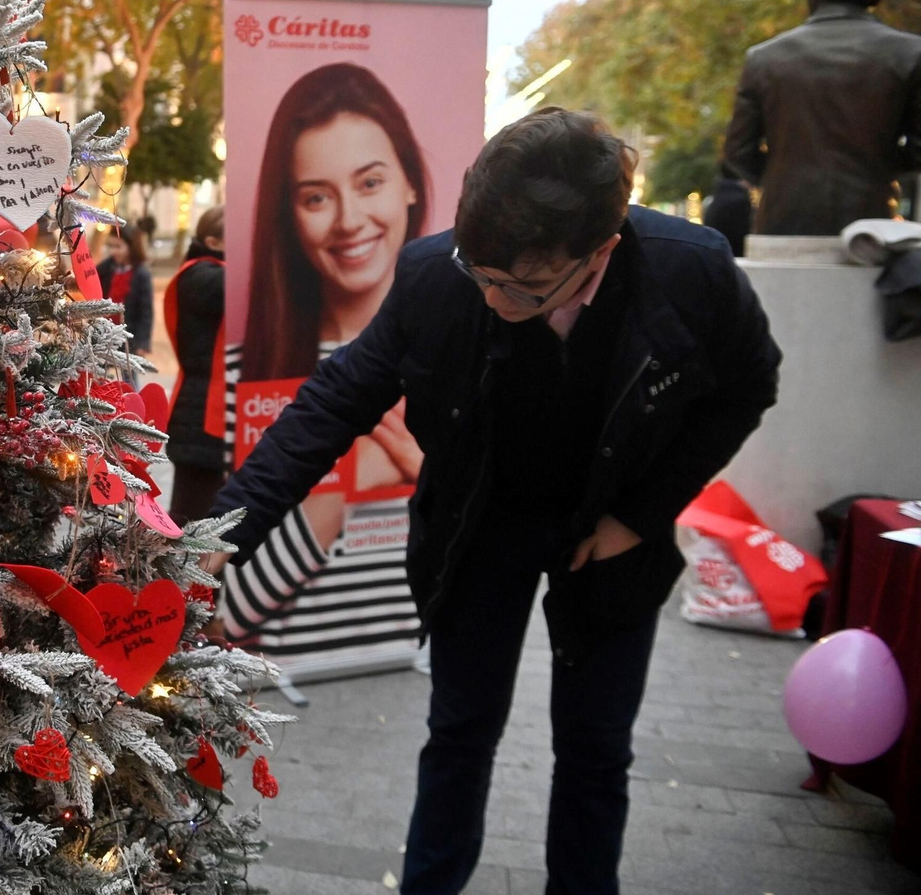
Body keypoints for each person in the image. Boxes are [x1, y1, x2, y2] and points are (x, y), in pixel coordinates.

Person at [204, 108, 782, 895]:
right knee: (459, 732)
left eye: (522, 288)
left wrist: (638, 517)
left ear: (600, 252)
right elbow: (335, 402)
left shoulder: (692, 271)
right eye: (479, 272)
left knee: (595, 749)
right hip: (478, 528)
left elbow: (749, 387)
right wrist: (222, 534)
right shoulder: (437, 275)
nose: (491, 298)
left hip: (611, 532)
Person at [219, 62, 428, 661]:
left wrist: (433, 475)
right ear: (289, 213)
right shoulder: (245, 368)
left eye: (370, 182)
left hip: (418, 672)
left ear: (410, 183)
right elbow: (223, 610)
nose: (349, 221)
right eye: (316, 196)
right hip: (283, 687)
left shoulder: (456, 356)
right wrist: (355, 476)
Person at [724, 0, 921, 235]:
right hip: (870, 225)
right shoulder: (909, 54)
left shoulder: (764, 58)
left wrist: (783, 179)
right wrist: (875, 167)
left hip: (783, 221)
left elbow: (738, 150)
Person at [163, 205, 226, 523]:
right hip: (200, 418)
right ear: (213, 242)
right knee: (191, 521)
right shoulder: (201, 276)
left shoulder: (206, 274)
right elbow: (243, 283)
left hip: (204, 415)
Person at [96, 224, 154, 356]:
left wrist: (143, 343)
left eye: (118, 246)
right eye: (110, 246)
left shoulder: (141, 274)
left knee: (127, 368)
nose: (113, 251)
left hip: (129, 336)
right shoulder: (104, 269)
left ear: (131, 247)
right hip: (105, 335)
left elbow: (146, 312)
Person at [702, 170, 752, 258]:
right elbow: (742, 229)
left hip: (718, 249)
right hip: (735, 251)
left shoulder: (718, 197)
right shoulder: (740, 200)